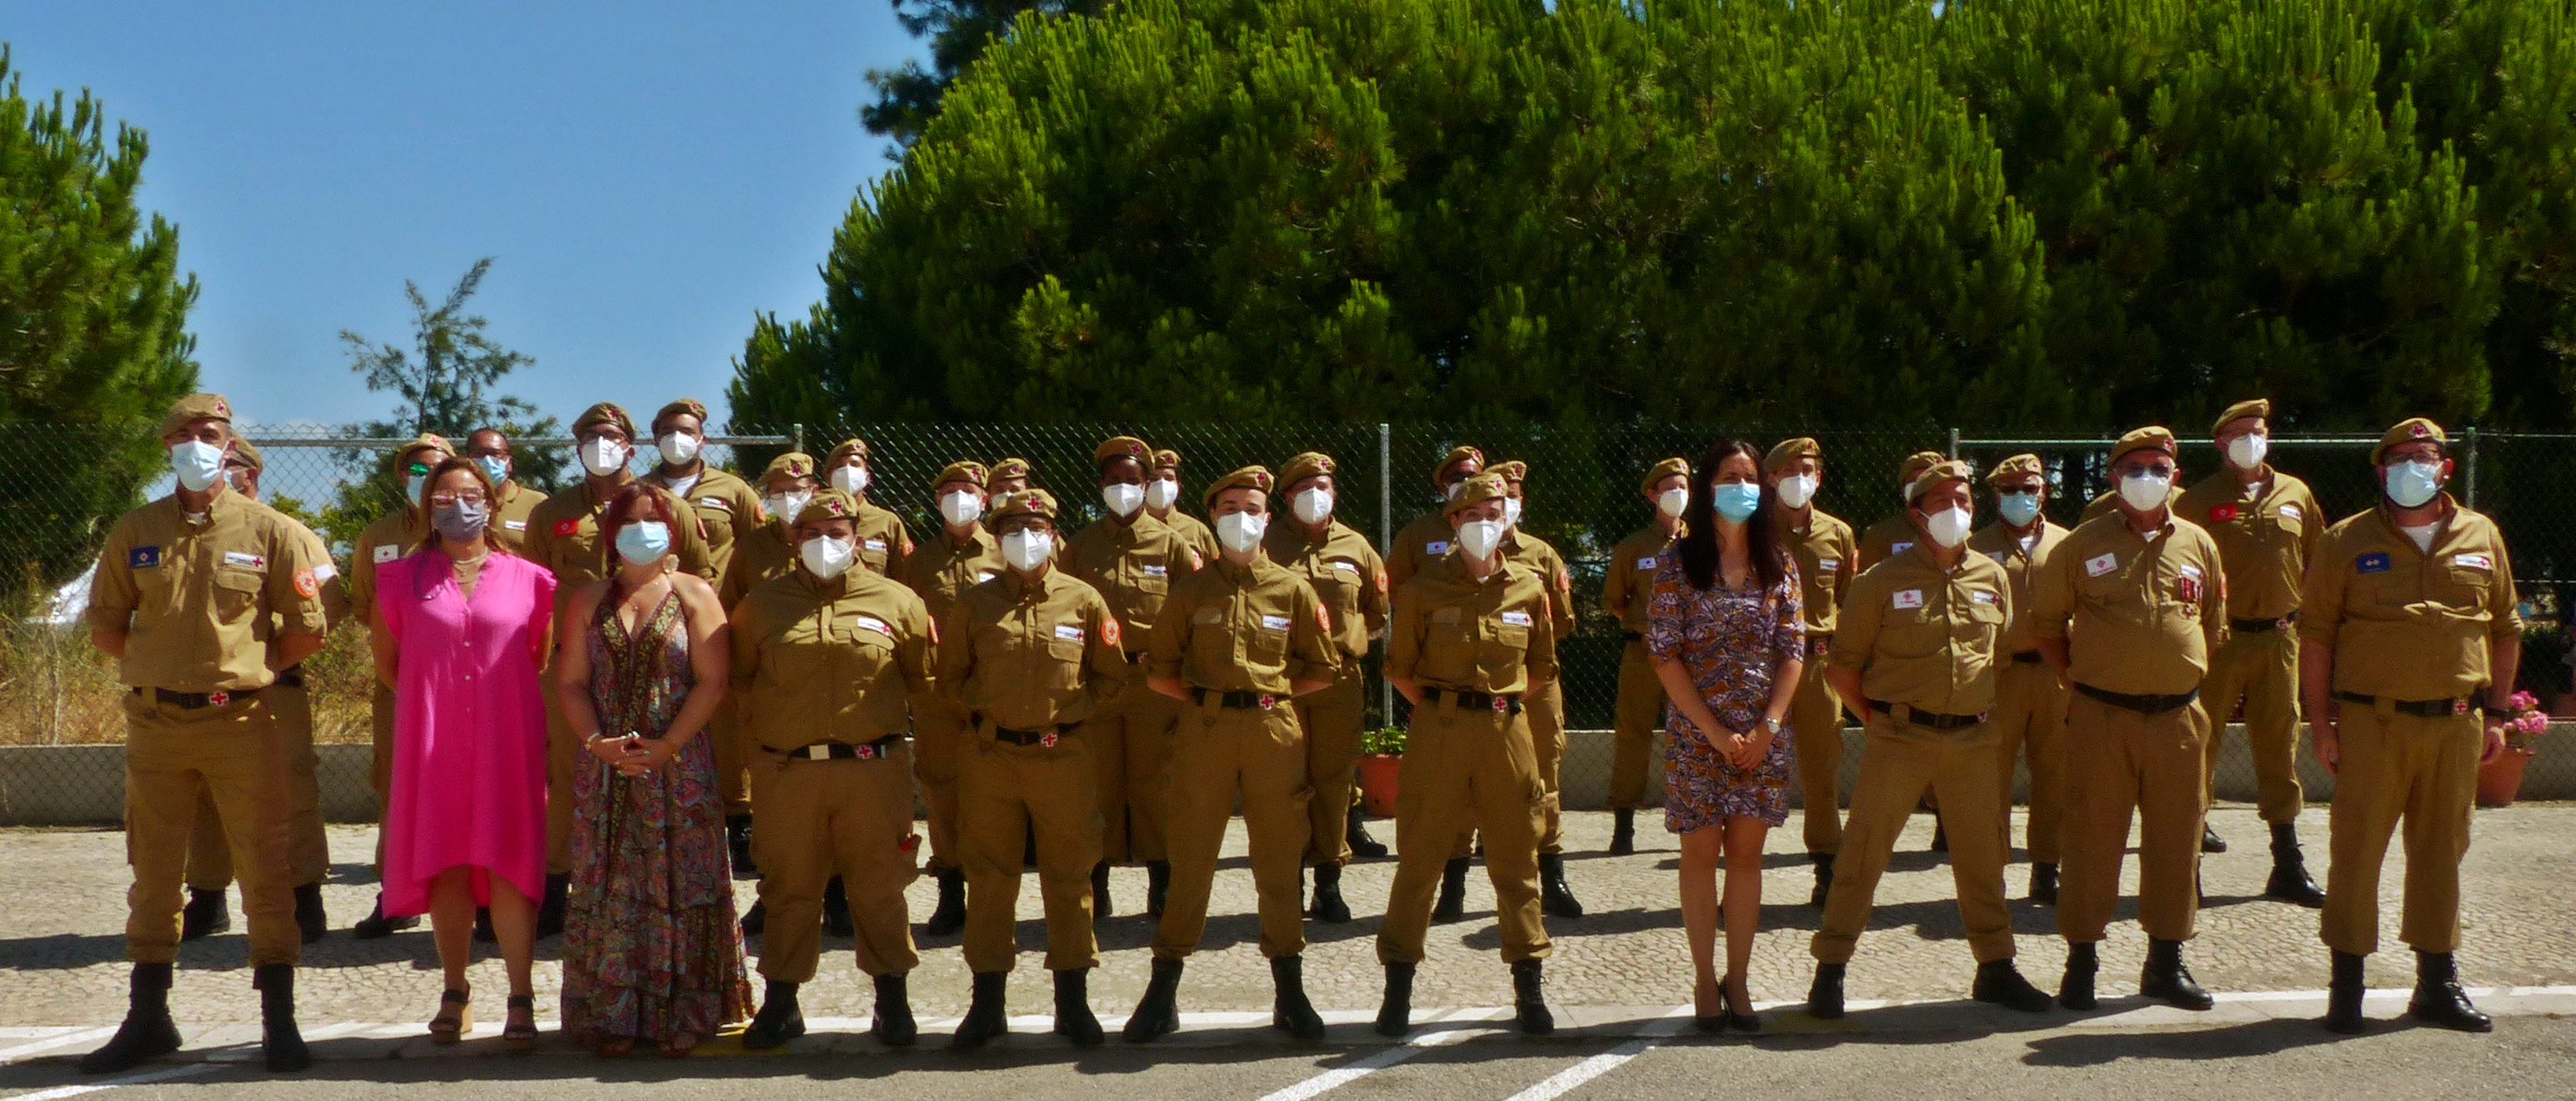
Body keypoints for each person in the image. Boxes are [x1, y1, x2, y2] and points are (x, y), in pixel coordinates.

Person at [81, 394, 329, 1075]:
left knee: (266, 871)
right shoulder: (136, 529)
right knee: (154, 873)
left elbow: (307, 629)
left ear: (229, 445)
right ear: (167, 446)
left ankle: (279, 1020)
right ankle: (149, 1019)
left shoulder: (271, 530)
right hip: (156, 724)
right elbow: (107, 625)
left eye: (211, 433)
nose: (199, 442)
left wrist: (250, 670)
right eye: (186, 433)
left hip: (240, 723)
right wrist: (162, 673)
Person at [1806, 461, 2052, 1021]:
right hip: (1899, 737)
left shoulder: (1991, 577)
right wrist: (1879, 719)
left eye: (1962, 500)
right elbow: (1842, 669)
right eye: (1941, 502)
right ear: (1916, 514)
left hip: (1972, 740)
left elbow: (1998, 658)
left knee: (1983, 858)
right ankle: (1831, 968)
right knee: (1863, 855)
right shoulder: (1879, 582)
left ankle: (1995, 967)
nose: (1955, 510)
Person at [2307, 417, 2519, 1034]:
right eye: (2397, 459)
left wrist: (2498, 714)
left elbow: (2504, 627)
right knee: (2355, 852)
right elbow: (2315, 636)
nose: (2410, 468)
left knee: (2441, 853)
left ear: (2445, 466)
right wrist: (2320, 724)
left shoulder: (2481, 534)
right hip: (2373, 723)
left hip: (2456, 724)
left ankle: (2436, 985)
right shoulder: (2344, 540)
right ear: (2380, 471)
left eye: (2423, 456)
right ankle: (2346, 988)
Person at [1123, 467, 1339, 1044]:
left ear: (1268, 519)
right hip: (1206, 729)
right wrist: (1209, 703)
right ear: (1213, 519)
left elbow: (1323, 669)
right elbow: (1160, 671)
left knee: (1279, 860)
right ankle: (1162, 990)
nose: (1241, 518)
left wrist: (1272, 696)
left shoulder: (1293, 589)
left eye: (1252, 509)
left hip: (1273, 730)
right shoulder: (1190, 592)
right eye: (1229, 509)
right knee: (1191, 858)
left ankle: (1290, 993)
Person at [2030, 426, 2227, 1012]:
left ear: (2175, 477)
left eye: (2158, 468)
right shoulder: (2080, 545)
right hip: (2101, 717)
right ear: (2114, 478)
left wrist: (2173, 669)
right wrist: (2079, 679)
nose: (2147, 477)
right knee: (2092, 840)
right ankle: (2081, 963)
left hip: (2178, 720)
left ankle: (2165, 964)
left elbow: (2211, 624)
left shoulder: (2199, 544)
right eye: (2134, 468)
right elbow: (2045, 626)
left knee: (2177, 841)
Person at [731, 489, 934, 1050]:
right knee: (788, 887)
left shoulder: (899, 601)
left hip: (873, 771)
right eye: (812, 534)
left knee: (881, 886)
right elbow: (742, 684)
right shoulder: (760, 606)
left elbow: (922, 682)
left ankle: (892, 1001)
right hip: (789, 774)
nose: (824, 543)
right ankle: (781, 1004)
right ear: (794, 540)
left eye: (836, 534)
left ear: (856, 539)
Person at [554, 481, 752, 1057]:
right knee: (611, 885)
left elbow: (713, 681)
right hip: (608, 768)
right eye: (629, 520)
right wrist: (597, 743)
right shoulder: (588, 600)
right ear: (611, 533)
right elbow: (571, 682)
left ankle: (687, 1011)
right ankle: (613, 1014)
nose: (641, 530)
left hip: (680, 766)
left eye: (653, 519)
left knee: (685, 882)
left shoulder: (694, 594)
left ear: (674, 529)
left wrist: (669, 745)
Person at [373, 457, 557, 1051]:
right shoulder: (400, 578)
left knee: (509, 861)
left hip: (507, 740)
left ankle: (521, 994)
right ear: (426, 506)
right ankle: (455, 989)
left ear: (492, 503)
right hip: (434, 742)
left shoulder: (532, 578)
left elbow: (537, 656)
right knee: (446, 861)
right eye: (444, 496)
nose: (459, 506)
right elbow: (389, 663)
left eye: (472, 494)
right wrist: (442, 702)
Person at [1373, 472, 1560, 1038]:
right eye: (1471, 515)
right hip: (1440, 730)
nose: (1484, 524)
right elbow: (1399, 669)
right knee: (1420, 860)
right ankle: (1397, 990)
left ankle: (1529, 988)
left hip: (1507, 732)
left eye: (1493, 514)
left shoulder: (1529, 587)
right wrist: (1444, 708)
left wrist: (1497, 703)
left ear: (1508, 519)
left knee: (1517, 862)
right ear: (1452, 522)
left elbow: (1540, 667)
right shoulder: (1421, 590)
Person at [939, 488, 1125, 1049]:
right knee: (989, 880)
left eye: (1036, 527)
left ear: (1053, 535)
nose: (1025, 538)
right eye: (1013, 529)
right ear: (997, 540)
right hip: (991, 759)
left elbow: (1111, 678)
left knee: (1069, 878)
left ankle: (1073, 1003)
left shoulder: (1084, 600)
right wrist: (988, 711)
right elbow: (950, 679)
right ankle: (986, 1006)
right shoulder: (974, 604)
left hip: (1061, 757)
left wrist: (1068, 715)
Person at [522, 402, 717, 937]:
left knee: (666, 779)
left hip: (662, 664)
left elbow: (701, 575)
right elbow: (533, 588)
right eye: (590, 437)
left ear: (631, 445)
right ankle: (562, 885)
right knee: (570, 773)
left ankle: (667, 905)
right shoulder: (552, 511)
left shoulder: (666, 506)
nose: (600, 446)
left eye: (610, 436)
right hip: (576, 663)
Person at [1645, 439, 1803, 1033]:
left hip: (1761, 739)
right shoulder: (1675, 563)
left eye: (1749, 477)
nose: (1741, 487)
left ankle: (1737, 979)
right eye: (1728, 477)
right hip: (1698, 738)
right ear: (1708, 487)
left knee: (1745, 858)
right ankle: (1702, 978)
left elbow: (1793, 649)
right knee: (1698, 855)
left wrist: (1768, 726)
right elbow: (1663, 654)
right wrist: (1713, 732)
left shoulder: (1778, 563)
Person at [181, 440, 344, 946]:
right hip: (203, 688)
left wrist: (271, 656)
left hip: (275, 686)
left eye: (230, 464)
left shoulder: (287, 531)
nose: (219, 470)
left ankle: (304, 897)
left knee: (289, 792)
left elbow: (331, 604)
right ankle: (207, 897)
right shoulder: (183, 533)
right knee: (204, 793)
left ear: (251, 473)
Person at [2181, 398, 2326, 900]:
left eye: (2258, 431)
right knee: (2200, 747)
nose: (2250, 441)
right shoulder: (2197, 501)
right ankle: (2187, 867)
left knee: (2280, 748)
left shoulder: (2295, 493)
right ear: (2220, 443)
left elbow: (2317, 558)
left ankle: (2288, 864)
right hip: (2220, 640)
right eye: (2238, 433)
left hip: (2280, 639)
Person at [1067, 436, 1202, 918]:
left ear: (1146, 485)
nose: (1122, 488)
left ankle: (1161, 880)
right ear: (1101, 486)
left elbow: (1193, 609)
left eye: (1131, 480)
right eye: (1113, 480)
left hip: (1153, 681)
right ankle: (1096, 881)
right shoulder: (1080, 547)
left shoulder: (1171, 544)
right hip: (1099, 679)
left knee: (1157, 783)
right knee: (1097, 782)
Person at [1443, 460, 1582, 919]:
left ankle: (1551, 874)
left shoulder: (1542, 555)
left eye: (1507, 500)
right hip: (1472, 687)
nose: (1492, 516)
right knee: (1462, 784)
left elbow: (1560, 622)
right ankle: (1454, 883)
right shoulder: (1448, 565)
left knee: (1542, 777)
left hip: (1534, 683)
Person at [1264, 452, 1391, 922]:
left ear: (1335, 494)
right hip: (1283, 679)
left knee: (1334, 781)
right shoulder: (1266, 543)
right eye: (1304, 488)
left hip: (1339, 679)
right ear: (1287, 496)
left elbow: (1376, 611)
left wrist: (1346, 642)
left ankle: (1328, 882)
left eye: (1323, 487)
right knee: (1285, 781)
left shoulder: (1357, 546)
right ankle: (1289, 880)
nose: (1315, 495)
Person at [349, 432, 452, 939]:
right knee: (397, 784)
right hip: (400, 681)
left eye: (436, 468)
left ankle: (473, 895)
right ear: (401, 477)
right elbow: (364, 606)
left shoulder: (473, 529)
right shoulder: (378, 536)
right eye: (416, 470)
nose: (425, 478)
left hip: (464, 681)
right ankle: (396, 894)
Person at [902, 460, 1006, 939]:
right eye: (949, 491)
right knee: (942, 790)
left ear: (985, 499)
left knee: (997, 793)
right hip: (939, 694)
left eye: (968, 490)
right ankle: (951, 890)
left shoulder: (1007, 552)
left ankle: (995, 893)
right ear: (937, 500)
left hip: (997, 692)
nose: (959, 498)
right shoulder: (919, 562)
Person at [1965, 453, 2072, 902]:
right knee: (1991, 776)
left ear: (2043, 491)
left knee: (2055, 773)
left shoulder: (2068, 543)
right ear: (1995, 496)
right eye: (2010, 490)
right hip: (1999, 676)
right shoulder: (1973, 546)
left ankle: (2047, 867)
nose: (2021, 497)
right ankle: (1991, 871)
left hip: (2054, 674)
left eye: (2029, 489)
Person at [716, 451, 823, 899]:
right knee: (775, 799)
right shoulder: (751, 549)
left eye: (798, 490)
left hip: (830, 683)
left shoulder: (833, 541)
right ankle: (775, 893)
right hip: (773, 688)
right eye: (779, 492)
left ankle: (836, 896)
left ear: (814, 491)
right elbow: (732, 611)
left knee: (831, 796)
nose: (790, 499)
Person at [1763, 438, 1859, 903]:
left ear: (1819, 478)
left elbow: (1848, 597)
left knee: (1823, 767)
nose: (1800, 478)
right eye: (1790, 470)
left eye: (1808, 470)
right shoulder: (1752, 531)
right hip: (1763, 664)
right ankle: (1741, 874)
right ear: (1771, 478)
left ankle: (1827, 868)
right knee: (1753, 770)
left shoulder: (1838, 534)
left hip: (1819, 662)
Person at [1602, 457, 1691, 856]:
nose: (1678, 494)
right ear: (1652, 495)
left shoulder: (1704, 544)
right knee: (1632, 737)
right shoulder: (1632, 547)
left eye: (1683, 487)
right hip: (1643, 652)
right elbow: (1615, 601)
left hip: (1691, 657)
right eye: (1670, 488)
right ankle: (1624, 824)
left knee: (1691, 737)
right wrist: (1647, 625)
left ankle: (1692, 819)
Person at [648, 399, 765, 582]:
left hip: (716, 597)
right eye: (667, 431)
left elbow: (757, 548)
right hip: (656, 596)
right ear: (656, 440)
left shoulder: (733, 489)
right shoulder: (640, 491)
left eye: (687, 431)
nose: (677, 438)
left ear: (703, 441)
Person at [1387, 446, 1483, 588]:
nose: (1466, 482)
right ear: (1442, 485)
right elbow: (1395, 588)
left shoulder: (1495, 530)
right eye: (1457, 477)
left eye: (1474, 477)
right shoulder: (1415, 534)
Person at [820, 437, 915, 578]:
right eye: (839, 466)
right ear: (829, 479)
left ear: (867, 477)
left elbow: (905, 576)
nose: (847, 470)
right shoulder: (816, 522)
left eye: (855, 464)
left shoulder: (887, 522)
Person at [1854, 450, 1947, 571]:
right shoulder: (1879, 535)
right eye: (1913, 480)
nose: (1920, 485)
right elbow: (1865, 580)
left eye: (1927, 479)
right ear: (1904, 489)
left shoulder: (1958, 533)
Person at [464, 427, 549, 551]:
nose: (488, 460)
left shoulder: (537, 503)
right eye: (479, 453)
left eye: (495, 453)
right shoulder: (457, 501)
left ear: (509, 463)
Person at [1145, 447, 1220, 563]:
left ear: (1178, 486)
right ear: (1143, 485)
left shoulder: (1197, 531)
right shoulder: (1131, 526)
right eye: (1153, 479)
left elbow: (1215, 571)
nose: (1162, 484)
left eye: (1169, 478)